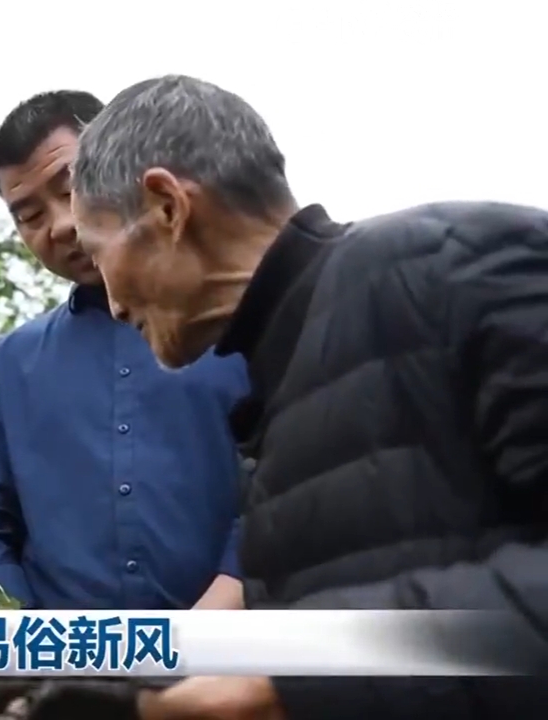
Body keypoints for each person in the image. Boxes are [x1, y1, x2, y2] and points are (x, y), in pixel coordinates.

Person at [67, 74, 548, 719]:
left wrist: (291, 683)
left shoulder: (457, 267)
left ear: (167, 206)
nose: (112, 301)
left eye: (98, 253)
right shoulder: (279, 385)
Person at [0, 90, 249, 612]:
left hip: (248, 658)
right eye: (28, 214)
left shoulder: (244, 319)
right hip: (62, 676)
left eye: (69, 188)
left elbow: (289, 482)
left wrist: (219, 615)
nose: (60, 224)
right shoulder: (10, 365)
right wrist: (23, 647)